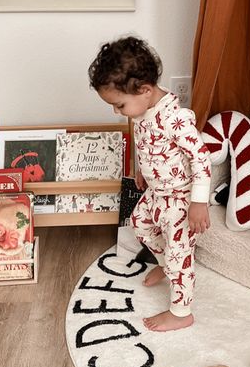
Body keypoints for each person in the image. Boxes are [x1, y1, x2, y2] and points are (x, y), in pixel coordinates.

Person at [89, 36, 211, 331]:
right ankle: (166, 264)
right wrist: (142, 169)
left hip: (180, 198)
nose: (116, 112)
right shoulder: (143, 110)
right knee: (140, 223)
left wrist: (198, 202)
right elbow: (146, 143)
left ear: (144, 90)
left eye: (119, 105)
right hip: (157, 191)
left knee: (180, 252)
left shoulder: (174, 118)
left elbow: (202, 158)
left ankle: (182, 312)